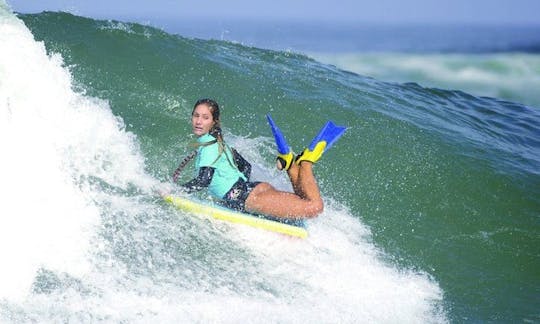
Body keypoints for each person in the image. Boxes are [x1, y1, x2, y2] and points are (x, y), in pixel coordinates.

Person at [171, 98, 344, 219]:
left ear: (214, 122)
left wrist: (174, 190)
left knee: (314, 207)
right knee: (301, 199)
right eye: (196, 116)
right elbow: (245, 167)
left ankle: (306, 161)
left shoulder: (208, 145)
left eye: (205, 117)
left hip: (252, 198)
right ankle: (290, 164)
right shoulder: (220, 143)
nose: (199, 121)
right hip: (253, 191)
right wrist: (235, 192)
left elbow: (203, 180)